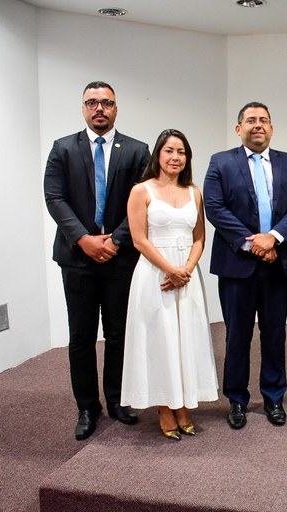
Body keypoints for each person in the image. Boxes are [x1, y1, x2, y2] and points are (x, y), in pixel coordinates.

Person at [44, 81, 150, 440]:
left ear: (116, 108)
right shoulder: (63, 149)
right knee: (82, 336)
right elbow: (55, 197)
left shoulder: (137, 151)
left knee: (120, 334)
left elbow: (142, 202)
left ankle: (118, 401)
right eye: (92, 103)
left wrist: (115, 240)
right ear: (83, 108)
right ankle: (88, 407)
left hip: (120, 258)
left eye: (106, 102)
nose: (99, 108)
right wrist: (85, 239)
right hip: (77, 258)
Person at [204, 102, 287, 429]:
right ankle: (236, 399)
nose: (257, 125)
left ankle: (274, 396)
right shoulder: (221, 162)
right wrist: (253, 242)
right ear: (239, 129)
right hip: (237, 263)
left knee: (275, 333)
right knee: (237, 334)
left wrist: (274, 237)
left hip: (279, 262)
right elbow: (215, 207)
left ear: (272, 128)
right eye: (250, 120)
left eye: (264, 120)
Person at [120, 129, 218, 440]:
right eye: (169, 151)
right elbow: (138, 238)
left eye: (181, 152)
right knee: (160, 340)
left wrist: (186, 268)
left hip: (186, 276)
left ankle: (184, 405)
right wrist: (169, 270)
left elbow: (199, 236)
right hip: (155, 274)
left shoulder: (194, 192)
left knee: (185, 338)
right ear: (158, 156)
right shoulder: (141, 190)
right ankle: (165, 407)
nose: (175, 157)